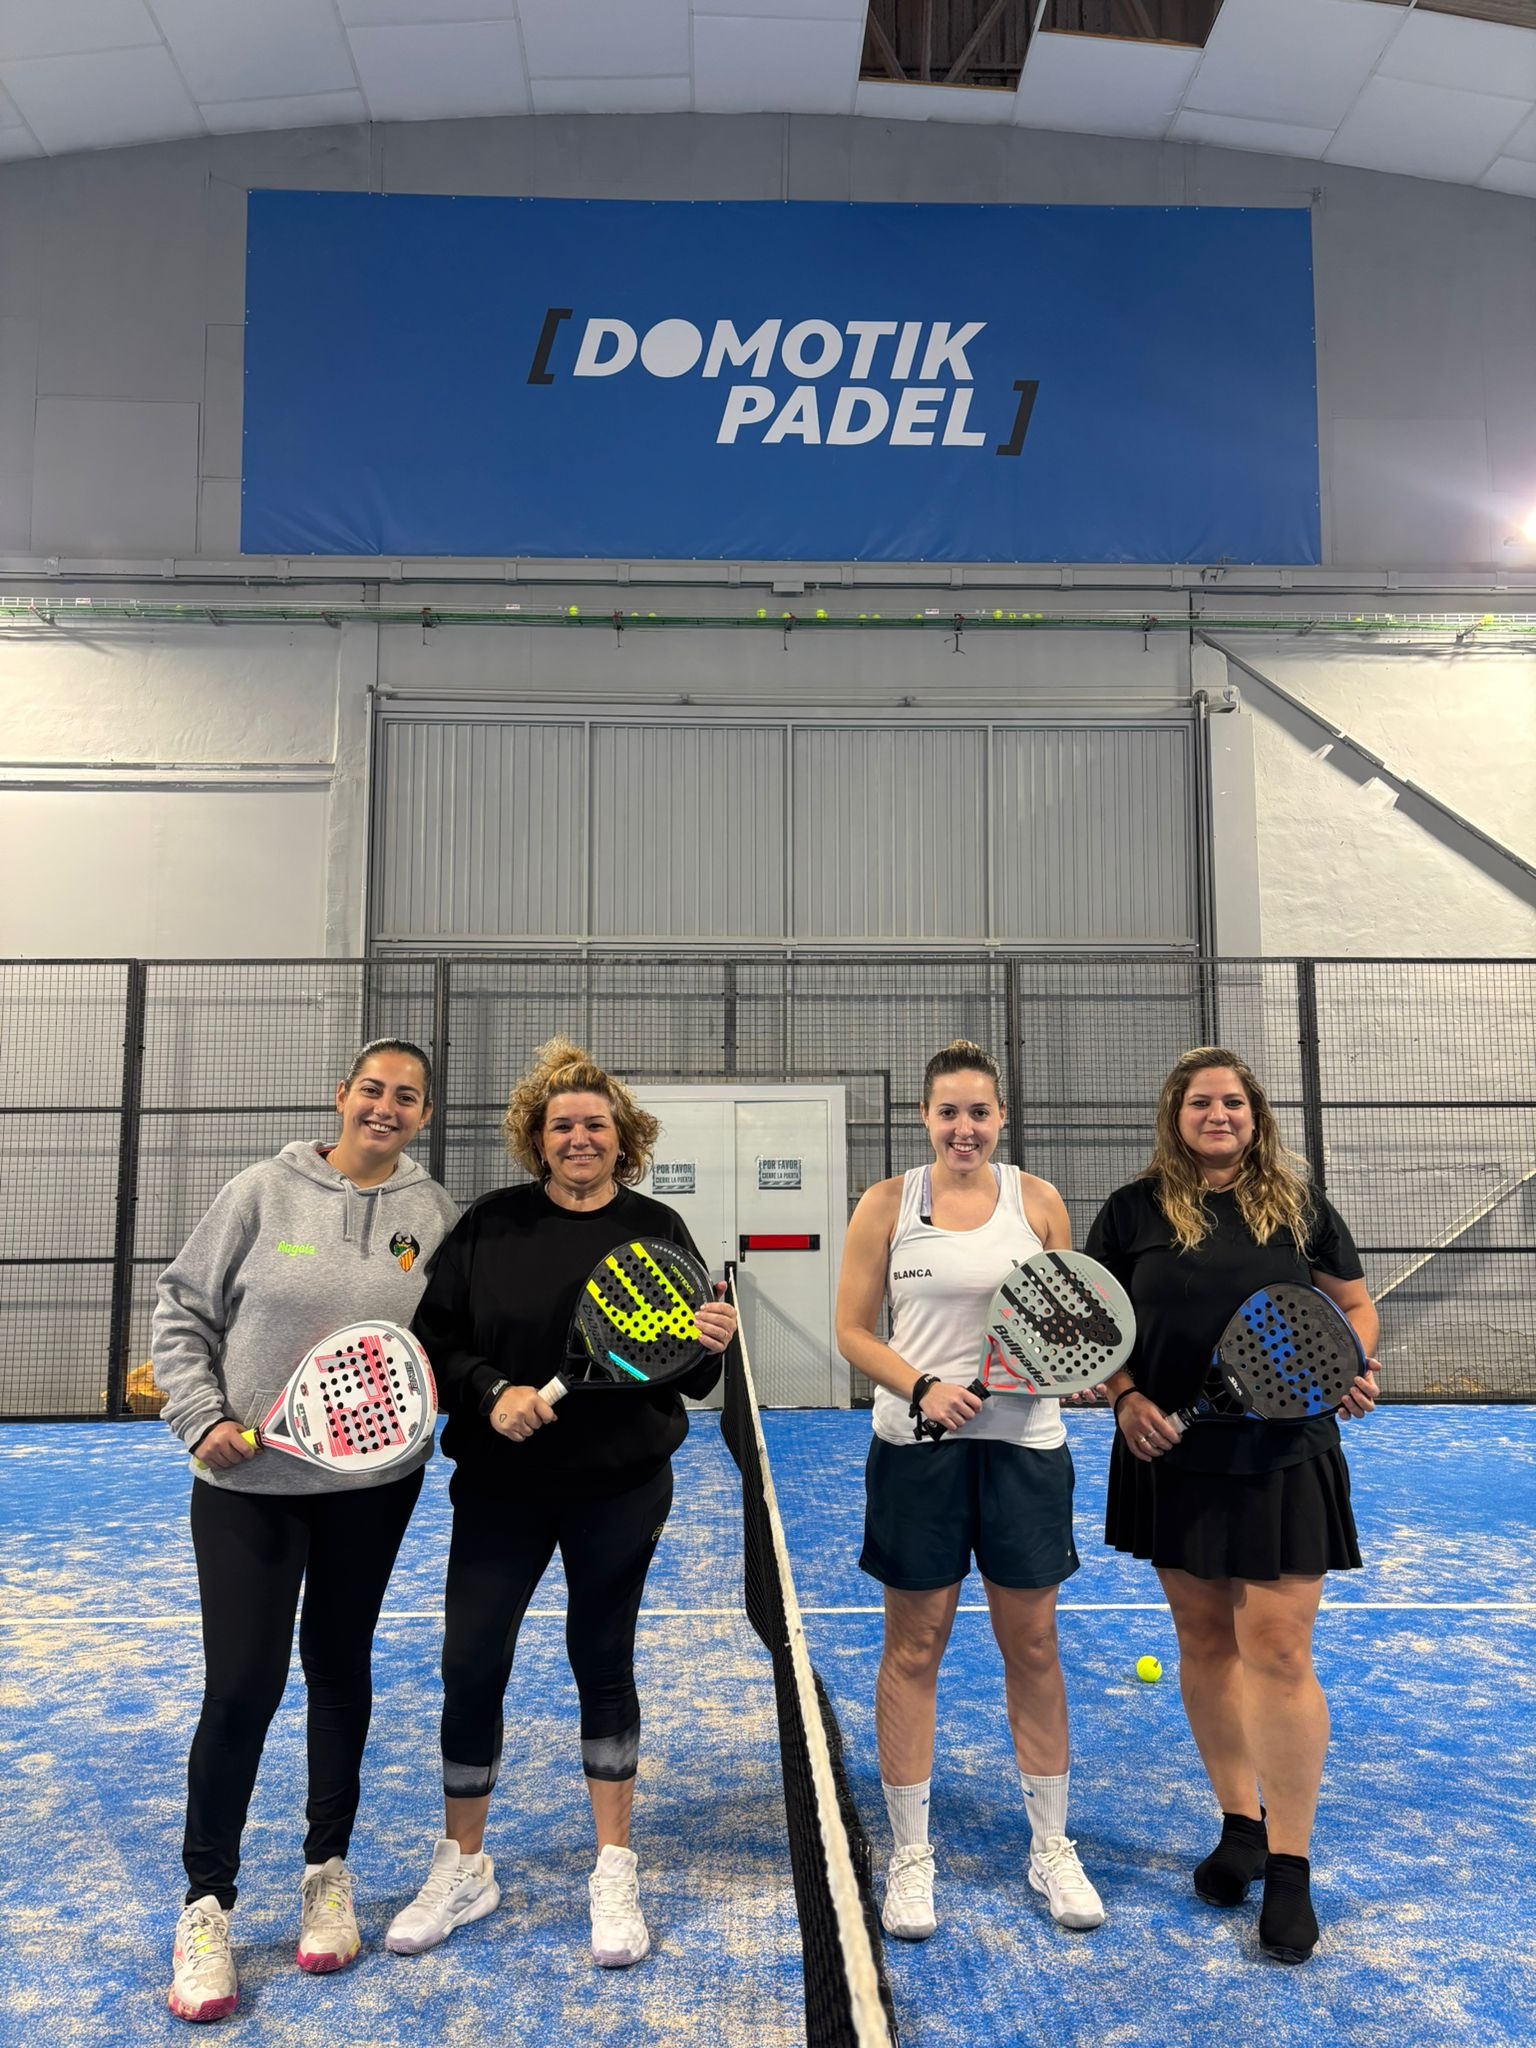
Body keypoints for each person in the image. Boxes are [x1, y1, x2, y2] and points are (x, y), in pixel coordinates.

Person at [385, 1036, 737, 1969]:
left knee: (602, 1661)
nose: (579, 1138)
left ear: (625, 1138)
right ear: (536, 1140)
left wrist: (712, 1340)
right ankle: (463, 1866)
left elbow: (688, 1374)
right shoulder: (490, 1226)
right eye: (561, 1126)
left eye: (595, 1125)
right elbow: (436, 1342)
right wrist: (492, 1390)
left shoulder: (658, 1226)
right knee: (471, 1663)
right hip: (500, 1489)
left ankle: (614, 1867)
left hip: (620, 1488)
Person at [153, 1039, 458, 2023]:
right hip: (249, 1483)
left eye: (406, 1096)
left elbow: (450, 1337)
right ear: (342, 1096)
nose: (386, 1107)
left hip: (373, 1486)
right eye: (373, 1089)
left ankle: (328, 1870)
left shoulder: (433, 1214)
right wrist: (200, 1414)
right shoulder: (259, 1191)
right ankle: (207, 1902)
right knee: (243, 1682)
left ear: (423, 1114)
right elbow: (183, 1308)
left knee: (338, 1662)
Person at [1085, 1046, 1380, 1965]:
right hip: (1169, 1455)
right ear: (1175, 1115)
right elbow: (1097, 1326)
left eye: (1234, 1102)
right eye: (1201, 1102)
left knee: (1279, 1651)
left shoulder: (1298, 1207)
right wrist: (1127, 1398)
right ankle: (1238, 1825)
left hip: (1284, 1456)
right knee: (1205, 1643)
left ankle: (1289, 1868)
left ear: (1256, 1115)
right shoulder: (1131, 1211)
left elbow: (1354, 1307)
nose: (1219, 1115)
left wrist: (1350, 1363)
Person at [833, 1039, 1105, 1945]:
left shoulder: (1039, 1201)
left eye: (979, 1112)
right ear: (925, 1117)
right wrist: (922, 1387)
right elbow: (852, 1331)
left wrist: (1073, 1374)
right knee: (915, 1647)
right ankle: (911, 1855)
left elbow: (1071, 1319)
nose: (964, 1128)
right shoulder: (886, 1204)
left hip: (1025, 1451)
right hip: (917, 1453)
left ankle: (1052, 1846)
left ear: (1001, 1118)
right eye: (948, 1112)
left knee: (1034, 1644)